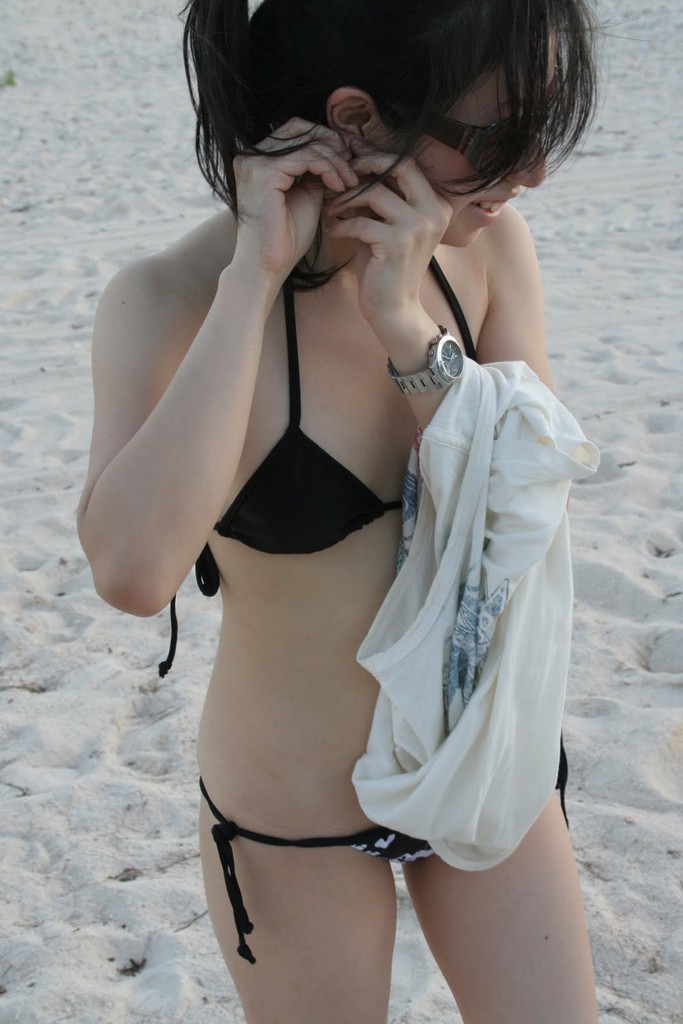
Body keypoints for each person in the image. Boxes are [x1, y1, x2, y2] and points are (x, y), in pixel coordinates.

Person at [77, 0, 601, 1019]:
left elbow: (528, 499)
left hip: (480, 756)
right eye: (499, 136)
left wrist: (406, 329)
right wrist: (252, 277)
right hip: (290, 815)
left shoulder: (485, 252)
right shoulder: (169, 299)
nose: (532, 171)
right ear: (355, 116)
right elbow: (133, 572)